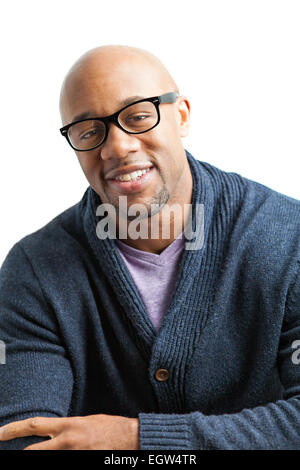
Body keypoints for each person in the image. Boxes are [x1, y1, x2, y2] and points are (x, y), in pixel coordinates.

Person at [0, 45, 300, 451]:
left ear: (182, 116)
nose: (118, 147)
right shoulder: (35, 271)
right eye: (89, 130)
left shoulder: (286, 238)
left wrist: (136, 439)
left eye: (138, 116)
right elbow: (26, 438)